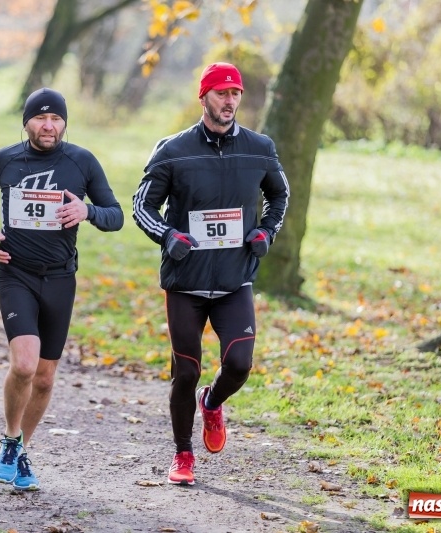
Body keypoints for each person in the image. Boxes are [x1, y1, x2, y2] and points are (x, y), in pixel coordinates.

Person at [132, 62, 289, 485]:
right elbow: (142, 206)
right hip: (186, 281)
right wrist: (167, 236)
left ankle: (213, 402)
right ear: (203, 97)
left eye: (235, 93)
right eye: (221, 93)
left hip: (235, 278)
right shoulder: (173, 150)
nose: (230, 100)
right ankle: (183, 455)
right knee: (185, 371)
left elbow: (280, 195)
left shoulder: (259, 147)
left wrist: (265, 231)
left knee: (239, 364)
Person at [0, 87, 124, 490]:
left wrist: (87, 210)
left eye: (55, 119)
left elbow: (116, 216)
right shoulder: (5, 160)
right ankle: (9, 438)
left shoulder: (82, 162)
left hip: (60, 278)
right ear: (27, 122)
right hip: (15, 273)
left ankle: (18, 451)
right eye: (40, 118)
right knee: (24, 365)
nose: (48, 125)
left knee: (46, 377)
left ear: (65, 123)